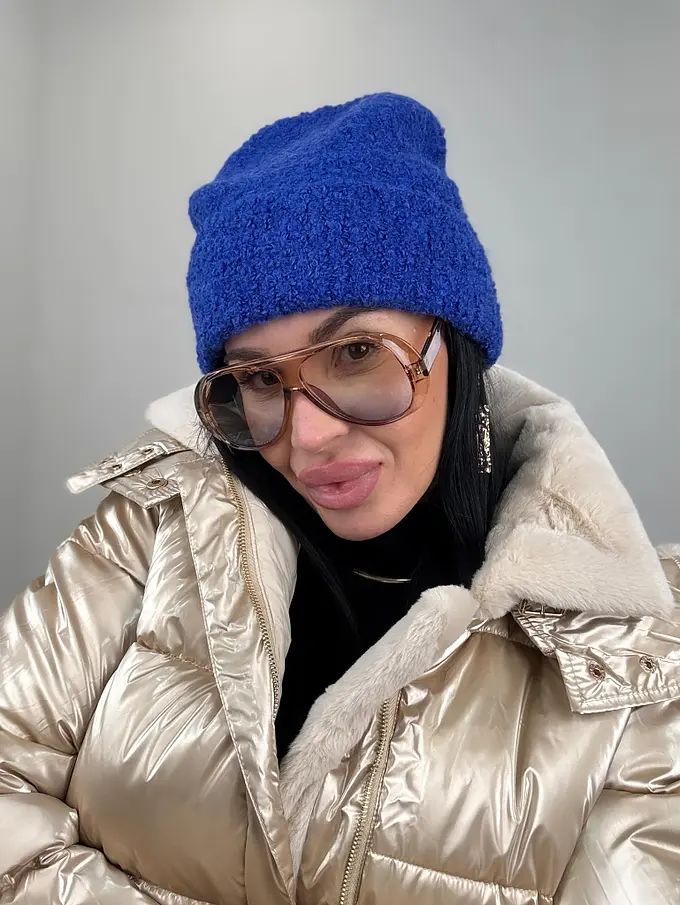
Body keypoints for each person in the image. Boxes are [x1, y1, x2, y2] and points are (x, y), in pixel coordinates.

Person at [1, 93, 678, 905]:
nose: (309, 435)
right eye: (260, 377)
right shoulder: (148, 535)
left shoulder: (638, 654)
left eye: (357, 352)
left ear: (455, 347)